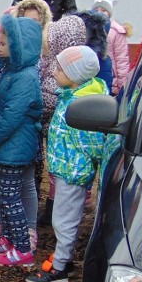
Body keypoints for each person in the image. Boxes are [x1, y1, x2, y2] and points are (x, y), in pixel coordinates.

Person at [26, 45, 106, 282]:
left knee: (63, 220)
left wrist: (86, 166)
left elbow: (94, 143)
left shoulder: (85, 104)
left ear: (75, 74)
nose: (54, 71)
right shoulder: (72, 94)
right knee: (64, 217)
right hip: (65, 168)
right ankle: (65, 259)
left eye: (60, 68)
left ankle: (59, 268)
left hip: (73, 172)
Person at [0, 13, 43, 267]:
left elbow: (10, 117)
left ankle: (23, 250)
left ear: (19, 47)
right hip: (8, 147)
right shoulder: (9, 72)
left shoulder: (25, 77)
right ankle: (9, 238)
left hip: (14, 148)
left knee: (9, 198)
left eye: (3, 44)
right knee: (6, 195)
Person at [35, 15, 88, 227]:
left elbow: (48, 100)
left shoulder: (60, 67)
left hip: (57, 133)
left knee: (57, 174)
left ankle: (54, 213)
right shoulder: (83, 64)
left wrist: (37, 113)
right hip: (72, 137)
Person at [91, 0, 131, 96]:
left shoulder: (116, 32)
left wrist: (122, 85)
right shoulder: (89, 29)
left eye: (104, 10)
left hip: (111, 81)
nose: (99, 13)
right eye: (96, 10)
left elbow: (121, 59)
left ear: (109, 13)